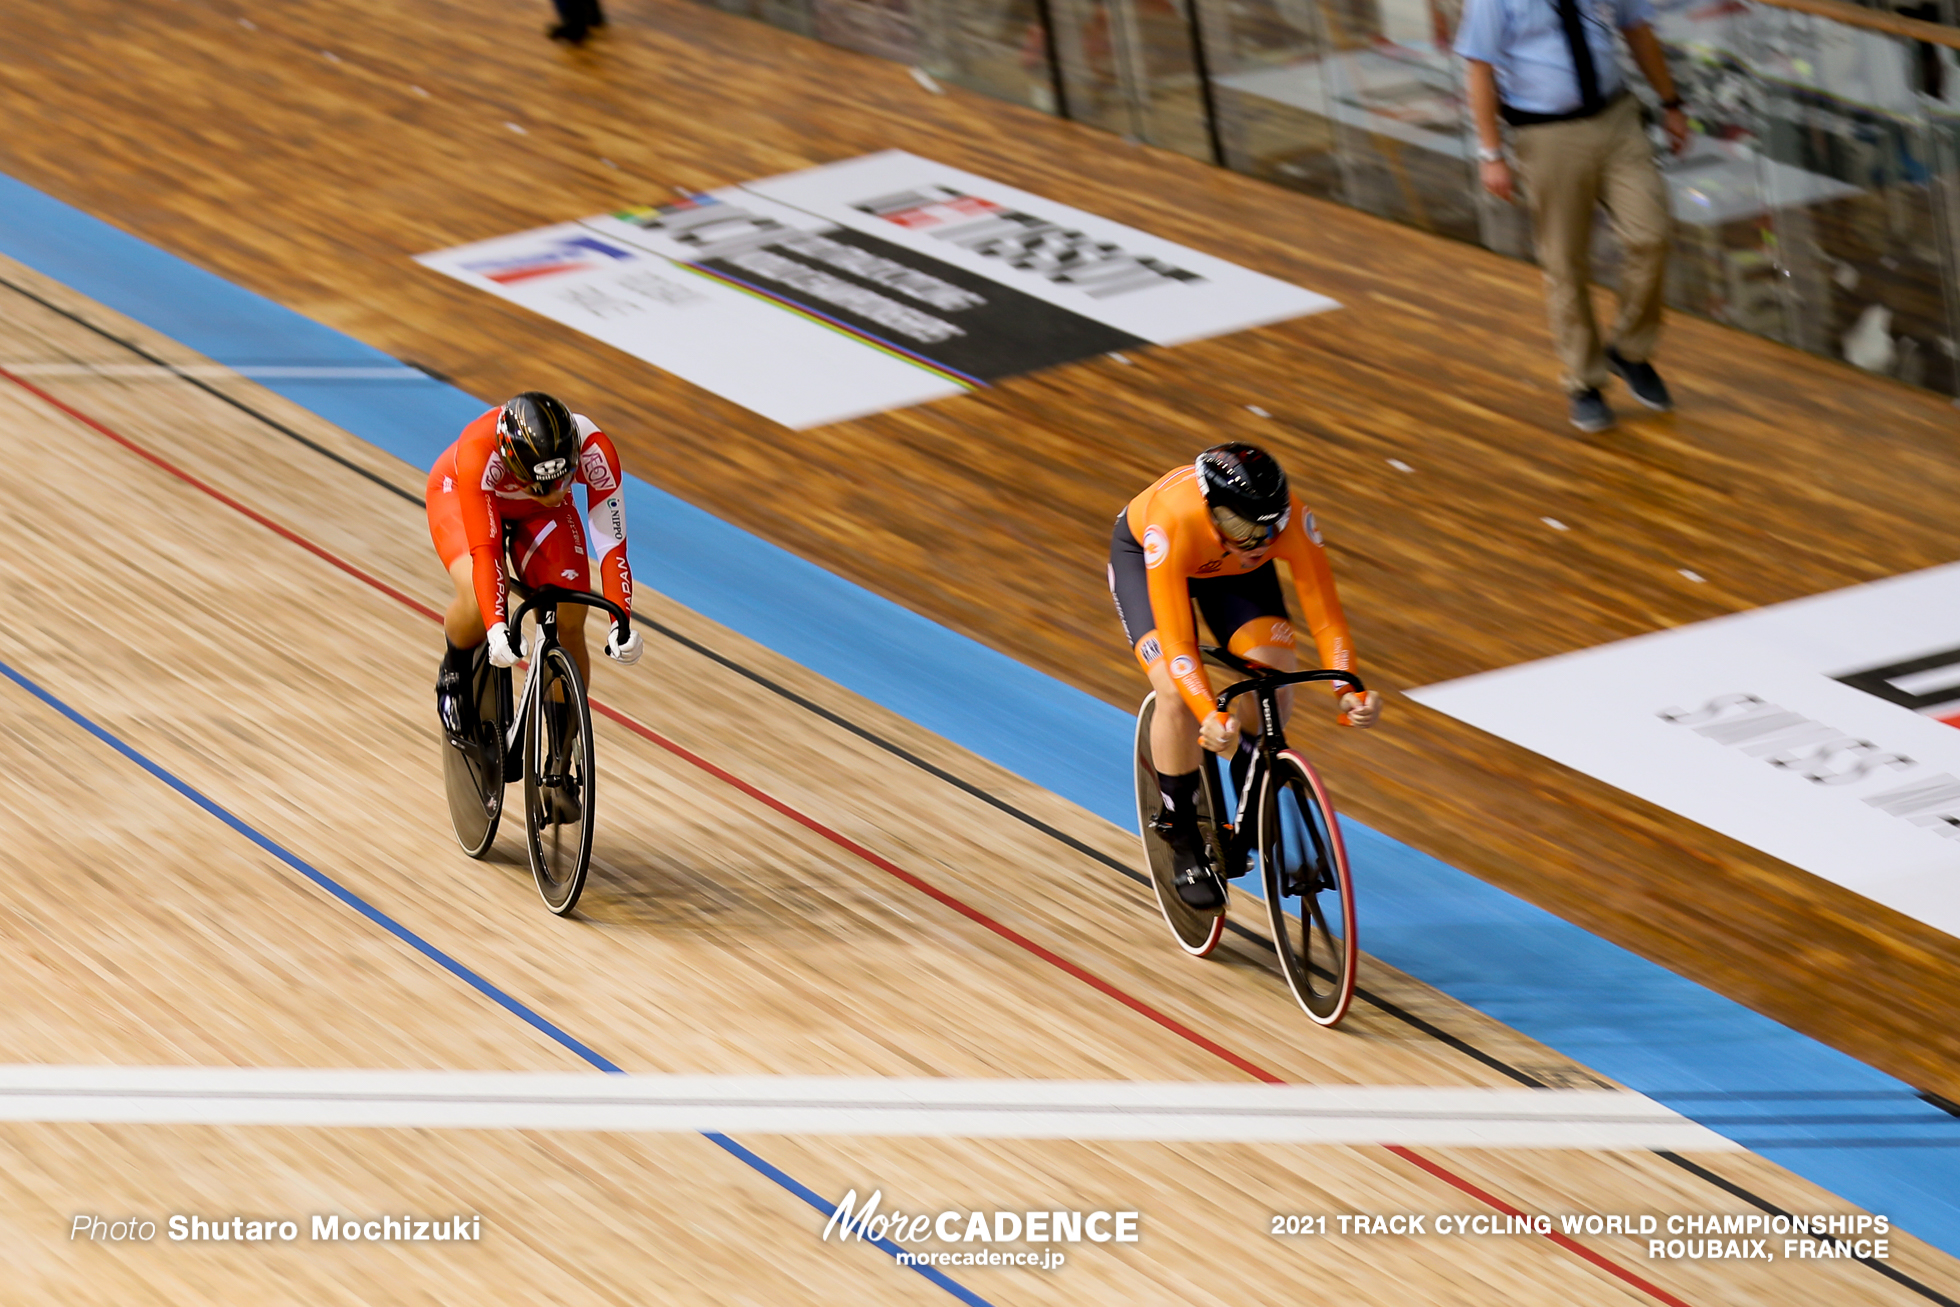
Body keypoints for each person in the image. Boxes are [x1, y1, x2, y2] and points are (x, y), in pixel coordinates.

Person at [1108, 443, 1380, 911]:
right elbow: (1177, 645)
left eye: (1268, 527)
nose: (1258, 538)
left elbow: (1327, 617)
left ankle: (1251, 787)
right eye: (1242, 525)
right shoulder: (1173, 520)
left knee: (1273, 684)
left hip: (1231, 572)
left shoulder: (1288, 522)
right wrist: (1206, 710)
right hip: (1155, 562)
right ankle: (1181, 832)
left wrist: (1346, 688)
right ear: (1213, 508)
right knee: (1175, 695)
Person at [1455, 0, 1689, 432]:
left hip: (1617, 120)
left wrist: (1671, 102)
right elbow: (1479, 69)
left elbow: (1636, 29)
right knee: (1565, 260)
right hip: (1547, 136)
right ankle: (1585, 382)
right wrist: (1491, 154)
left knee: (1651, 235)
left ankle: (1630, 350)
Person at [426, 391, 642, 749]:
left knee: (570, 611)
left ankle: (562, 743)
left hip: (537, 511)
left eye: (566, 480)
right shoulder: (480, 450)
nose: (558, 491)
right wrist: (496, 627)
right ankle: (454, 667)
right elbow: (487, 552)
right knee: (474, 595)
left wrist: (621, 619)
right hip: (463, 492)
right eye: (546, 484)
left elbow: (613, 546)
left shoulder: (594, 449)